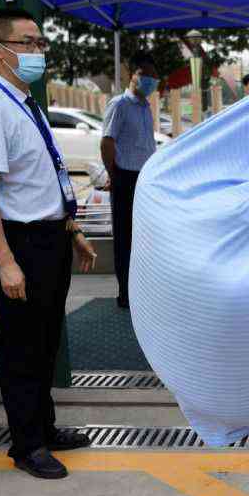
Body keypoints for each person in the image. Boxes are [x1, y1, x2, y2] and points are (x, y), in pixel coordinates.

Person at [0, 7, 97, 479]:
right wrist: (6, 262)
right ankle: (27, 445)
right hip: (19, 243)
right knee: (23, 346)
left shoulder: (25, 103)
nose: (38, 51)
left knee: (45, 341)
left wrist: (72, 231)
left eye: (41, 43)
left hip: (50, 238)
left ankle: (44, 427)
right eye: (28, 43)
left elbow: (43, 180)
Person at [102, 51, 159, 309]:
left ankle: (142, 289)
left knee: (144, 236)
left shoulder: (146, 107)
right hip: (125, 177)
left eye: (154, 76)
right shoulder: (120, 105)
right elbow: (107, 142)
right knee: (125, 238)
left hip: (144, 180)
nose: (150, 80)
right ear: (132, 75)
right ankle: (125, 293)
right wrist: (113, 174)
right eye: (145, 74)